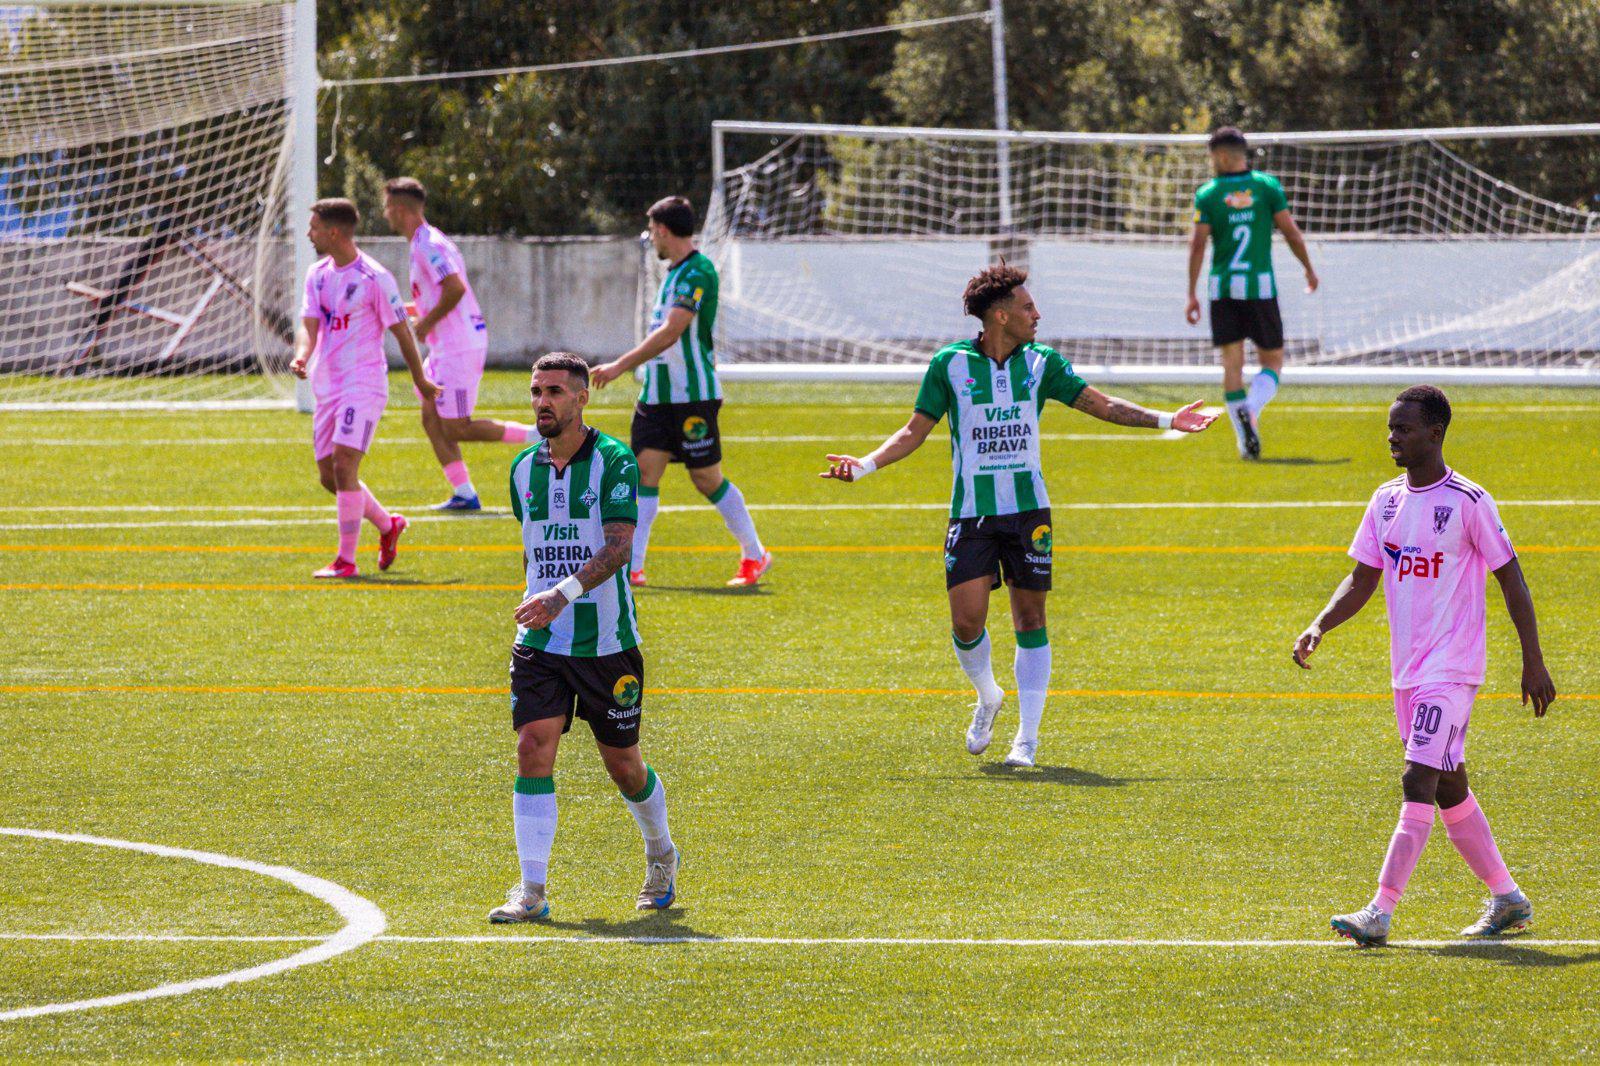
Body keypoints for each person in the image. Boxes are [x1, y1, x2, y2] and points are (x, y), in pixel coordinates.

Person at [821, 263, 1215, 767]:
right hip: (972, 514)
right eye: (1028, 307)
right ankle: (988, 695)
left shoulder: (1042, 363)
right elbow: (914, 430)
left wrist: (1168, 419)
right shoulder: (950, 365)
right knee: (966, 622)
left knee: (1031, 617)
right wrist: (865, 465)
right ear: (1001, 316)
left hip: (1029, 512)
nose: (1037, 315)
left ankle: (1026, 741)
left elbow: (1101, 404)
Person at [1293, 385, 1555, 947]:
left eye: (1404, 429)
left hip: (1452, 669)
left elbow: (1512, 579)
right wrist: (1320, 624)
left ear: (1435, 434)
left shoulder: (1469, 501)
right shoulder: (1386, 500)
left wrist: (1532, 660)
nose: (1393, 438)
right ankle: (1508, 898)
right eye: (1391, 428)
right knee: (1448, 786)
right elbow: (1363, 576)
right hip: (1407, 671)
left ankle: (1379, 911)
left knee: (1417, 776)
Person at [489, 352, 679, 923]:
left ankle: (661, 854)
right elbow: (533, 545)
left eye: (554, 391)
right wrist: (541, 599)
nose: (542, 402)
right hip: (541, 643)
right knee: (532, 747)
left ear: (581, 397)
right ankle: (531, 890)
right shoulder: (522, 469)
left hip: (606, 644)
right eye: (536, 391)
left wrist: (560, 595)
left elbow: (619, 548)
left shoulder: (614, 461)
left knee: (624, 766)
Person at [589, 196, 771, 588]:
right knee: (644, 474)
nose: (651, 238)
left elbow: (672, 332)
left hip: (692, 396)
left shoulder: (697, 272)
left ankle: (755, 554)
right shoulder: (672, 274)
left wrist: (620, 365)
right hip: (656, 397)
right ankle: (632, 567)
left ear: (663, 230)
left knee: (705, 478)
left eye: (652, 230)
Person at [289, 198, 438, 579]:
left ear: (333, 232)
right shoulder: (316, 275)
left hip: (364, 383)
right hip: (327, 384)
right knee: (330, 477)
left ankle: (346, 560)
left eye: (314, 227)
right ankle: (388, 525)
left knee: (344, 464)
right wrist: (302, 356)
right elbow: (309, 325)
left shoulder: (374, 278)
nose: (309, 234)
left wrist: (420, 378)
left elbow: (401, 331)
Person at [381, 177, 534, 511]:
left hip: (459, 345)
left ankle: (539, 437)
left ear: (400, 209)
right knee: (430, 417)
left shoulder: (429, 244)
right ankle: (464, 493)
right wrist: (404, 311)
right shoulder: (421, 242)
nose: (384, 213)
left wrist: (427, 322)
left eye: (387, 206)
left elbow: (455, 288)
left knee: (457, 427)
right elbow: (437, 295)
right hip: (444, 346)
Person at [1185, 126, 1318, 459]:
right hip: (1261, 289)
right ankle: (1253, 406)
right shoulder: (1266, 186)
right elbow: (1291, 233)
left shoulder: (1208, 193)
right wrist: (1308, 268)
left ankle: (1246, 444)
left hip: (1223, 290)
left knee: (1232, 366)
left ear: (1222, 156)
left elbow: (1198, 245)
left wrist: (1191, 293)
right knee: (1272, 361)